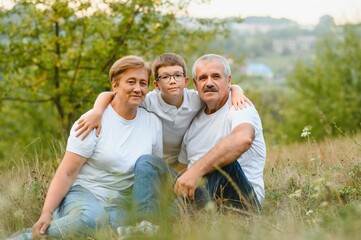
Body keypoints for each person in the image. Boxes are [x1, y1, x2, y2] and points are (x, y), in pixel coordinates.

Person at [74, 53, 252, 231]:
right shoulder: (148, 101)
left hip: (181, 173)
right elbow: (113, 94)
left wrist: (236, 91)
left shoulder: (196, 100)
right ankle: (144, 224)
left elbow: (221, 87)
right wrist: (97, 111)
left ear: (186, 81)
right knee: (144, 164)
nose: (173, 81)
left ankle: (158, 223)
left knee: (169, 199)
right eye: (165, 77)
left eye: (177, 76)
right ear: (157, 85)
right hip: (156, 171)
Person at [7, 56, 163, 239]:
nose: (138, 88)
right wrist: (46, 212)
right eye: (131, 82)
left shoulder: (152, 123)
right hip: (84, 193)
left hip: (120, 203)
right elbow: (67, 172)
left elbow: (152, 172)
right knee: (92, 219)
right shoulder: (92, 121)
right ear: (115, 85)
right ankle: (25, 237)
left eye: (143, 83)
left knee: (115, 228)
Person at [174, 54, 266, 212]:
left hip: (241, 201)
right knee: (150, 164)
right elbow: (181, 171)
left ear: (228, 80)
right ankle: (146, 221)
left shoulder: (240, 107)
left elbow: (243, 139)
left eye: (216, 76)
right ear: (195, 84)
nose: (209, 83)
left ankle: (186, 215)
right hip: (199, 196)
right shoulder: (194, 119)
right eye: (203, 78)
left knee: (223, 160)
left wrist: (196, 171)